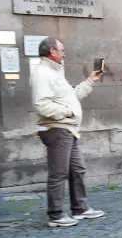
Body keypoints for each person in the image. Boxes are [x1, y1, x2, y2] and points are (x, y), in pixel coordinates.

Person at [32, 37, 106, 227]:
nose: (64, 53)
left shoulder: (55, 72)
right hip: (57, 129)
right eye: (62, 50)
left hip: (68, 130)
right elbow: (42, 105)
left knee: (77, 169)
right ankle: (56, 215)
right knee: (59, 173)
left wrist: (90, 81)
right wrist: (68, 112)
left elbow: (72, 97)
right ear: (52, 52)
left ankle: (80, 209)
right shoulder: (42, 73)